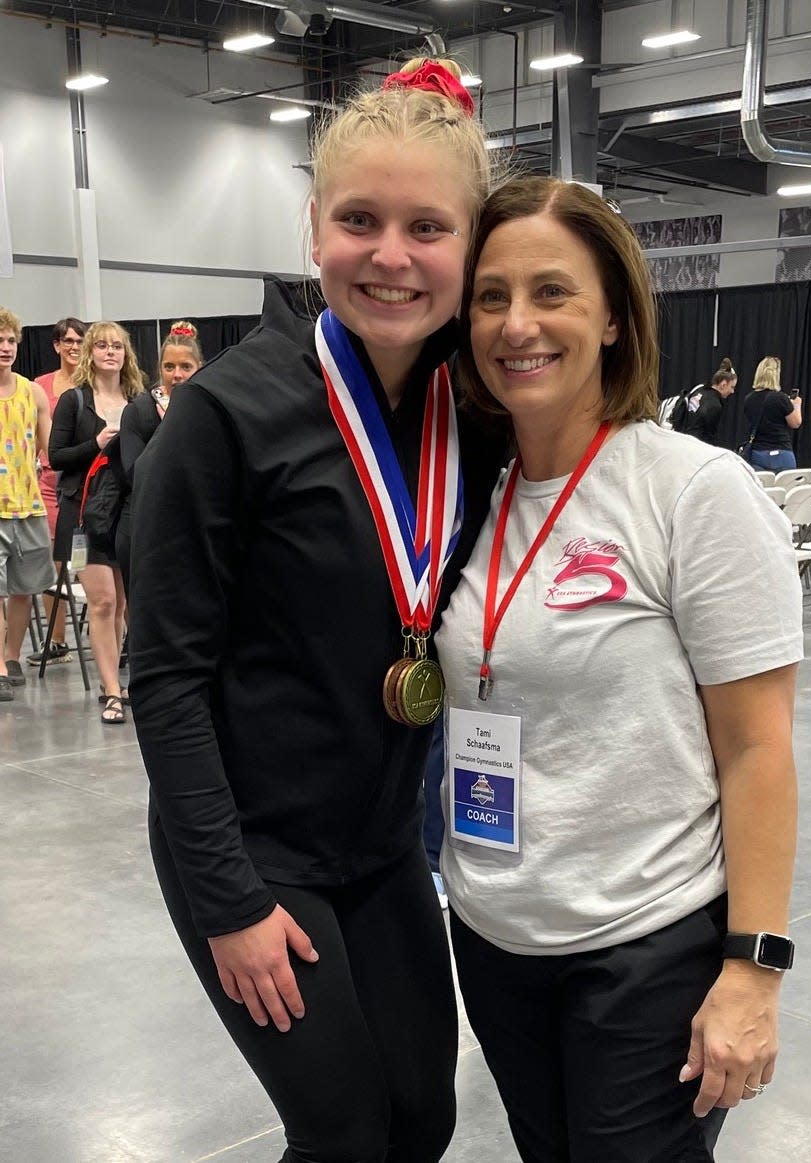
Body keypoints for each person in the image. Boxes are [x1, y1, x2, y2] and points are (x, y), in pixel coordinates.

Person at [129, 59, 501, 1163]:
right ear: (314, 229)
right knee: (341, 1132)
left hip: (383, 844)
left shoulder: (470, 413)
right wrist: (228, 899)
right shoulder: (224, 417)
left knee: (423, 1120)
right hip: (252, 843)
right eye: (360, 220)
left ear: (470, 244)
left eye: (427, 225)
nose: (391, 255)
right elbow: (166, 677)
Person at [435, 178, 802, 1163]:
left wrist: (754, 968)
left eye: (553, 291)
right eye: (492, 296)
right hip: (497, 935)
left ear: (610, 316)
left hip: (649, 943)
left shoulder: (693, 490)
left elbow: (759, 746)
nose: (519, 324)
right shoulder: (466, 493)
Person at [49, 321, 146, 723]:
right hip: (81, 517)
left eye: (117, 346)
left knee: (123, 602)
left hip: (127, 512)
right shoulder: (74, 401)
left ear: (127, 354)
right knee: (103, 601)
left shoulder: (139, 400)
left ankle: (121, 682)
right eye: (102, 345)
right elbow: (57, 457)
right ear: (89, 353)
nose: (110, 352)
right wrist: (97, 444)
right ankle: (111, 690)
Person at [115, 321, 203, 594]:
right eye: (169, 367)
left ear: (199, 367)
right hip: (144, 528)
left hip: (194, 527)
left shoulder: (210, 410)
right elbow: (135, 474)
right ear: (159, 369)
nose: (177, 375)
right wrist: (167, 431)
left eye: (185, 367)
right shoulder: (138, 412)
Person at [0, 307, 56, 702]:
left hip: (29, 504)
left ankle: (12, 656)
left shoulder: (33, 392)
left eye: (9, 340)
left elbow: (50, 448)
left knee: (24, 588)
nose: (5, 348)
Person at [27, 317, 87, 666]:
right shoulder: (41, 385)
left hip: (86, 480)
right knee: (56, 560)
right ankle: (58, 639)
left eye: (80, 341)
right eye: (68, 341)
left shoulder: (93, 382)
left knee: (96, 559)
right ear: (56, 346)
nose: (74, 347)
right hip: (50, 481)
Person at [742, 355, 803, 470]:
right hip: (782, 453)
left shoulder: (748, 399)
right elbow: (795, 423)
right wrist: (797, 404)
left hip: (758, 453)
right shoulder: (781, 398)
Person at [673, 357, 737, 445]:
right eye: (732, 387)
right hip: (695, 447)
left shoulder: (699, 389)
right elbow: (709, 438)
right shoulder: (715, 405)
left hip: (680, 439)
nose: (732, 391)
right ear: (723, 385)